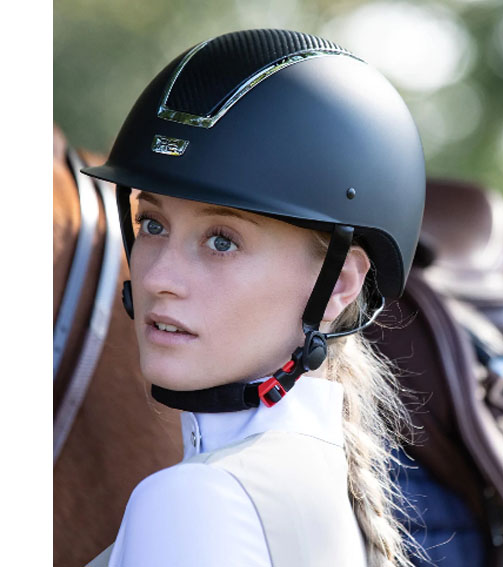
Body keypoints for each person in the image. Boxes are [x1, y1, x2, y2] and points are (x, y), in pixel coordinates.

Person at [82, 28, 425, 567]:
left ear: (338, 284)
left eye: (222, 241)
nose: (157, 278)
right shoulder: (320, 483)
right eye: (152, 224)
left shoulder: (193, 501)